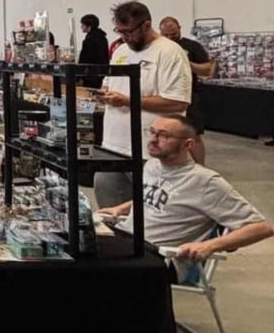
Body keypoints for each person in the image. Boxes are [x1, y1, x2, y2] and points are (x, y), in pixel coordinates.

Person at [97, 115, 272, 279]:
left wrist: (208, 246)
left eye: (164, 136)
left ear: (188, 144)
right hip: (125, 239)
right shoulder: (152, 165)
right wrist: (121, 208)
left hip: (159, 257)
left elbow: (261, 228)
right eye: (152, 132)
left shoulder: (206, 182)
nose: (152, 140)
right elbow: (157, 197)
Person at [94, 0, 192, 209]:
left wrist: (128, 101)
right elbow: (109, 84)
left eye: (128, 31)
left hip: (149, 152)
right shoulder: (120, 51)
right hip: (112, 147)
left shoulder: (170, 53)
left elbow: (177, 102)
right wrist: (103, 94)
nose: (124, 37)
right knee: (111, 214)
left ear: (146, 25)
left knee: (149, 217)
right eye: (119, 31)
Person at [160, 16, 211, 160]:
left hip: (189, 95)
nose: (170, 37)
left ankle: (201, 169)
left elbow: (207, 70)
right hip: (163, 95)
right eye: (166, 35)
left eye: (174, 34)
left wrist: (186, 62)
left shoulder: (192, 46)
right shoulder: (157, 48)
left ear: (179, 29)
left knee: (193, 133)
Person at [78, 14, 111, 86]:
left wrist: (79, 74)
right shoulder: (103, 38)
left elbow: (84, 58)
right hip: (102, 72)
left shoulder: (89, 40)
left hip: (91, 74)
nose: (81, 27)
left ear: (89, 26)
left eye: (83, 25)